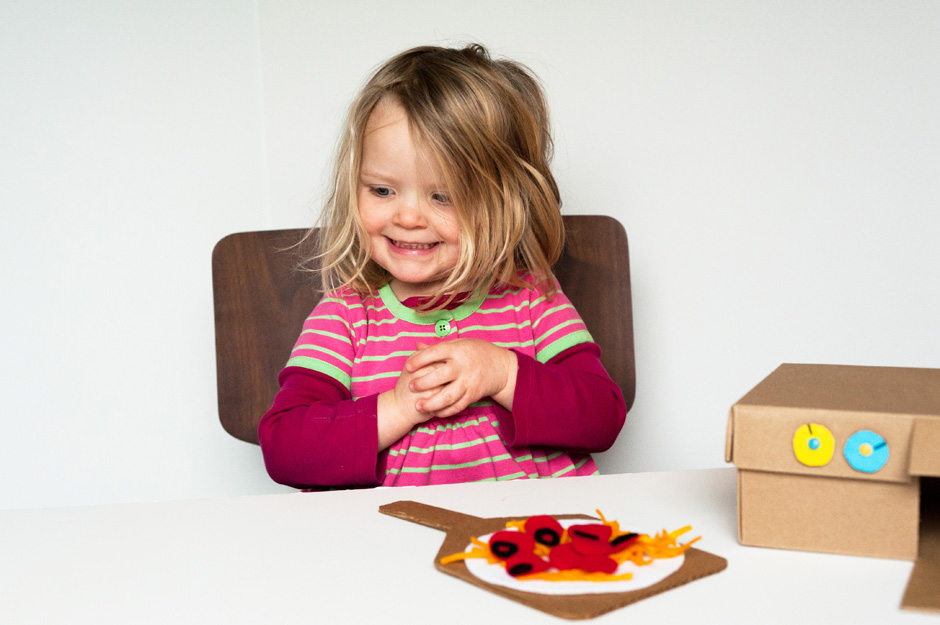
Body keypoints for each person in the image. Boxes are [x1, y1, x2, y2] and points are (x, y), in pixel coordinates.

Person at [259, 44, 626, 489]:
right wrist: (401, 405)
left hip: (528, 535)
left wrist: (501, 371)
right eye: (381, 191)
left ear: (502, 203)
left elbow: (602, 417)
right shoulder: (347, 318)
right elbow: (286, 448)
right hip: (389, 540)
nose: (408, 218)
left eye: (442, 196)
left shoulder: (531, 299)